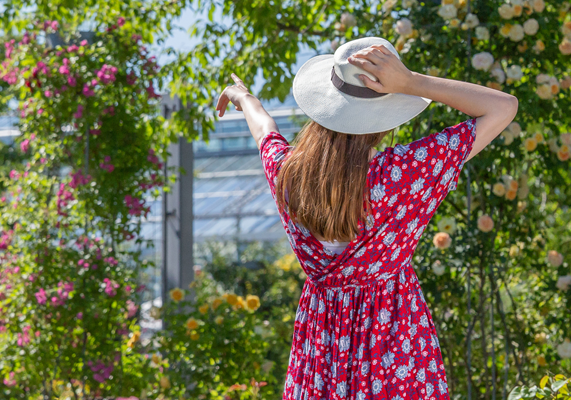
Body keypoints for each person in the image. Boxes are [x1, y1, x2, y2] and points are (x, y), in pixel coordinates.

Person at [215, 37, 517, 399]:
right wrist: (411, 82)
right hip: (393, 353)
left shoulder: (289, 174)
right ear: (383, 119)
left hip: (320, 357)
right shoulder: (401, 174)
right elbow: (503, 107)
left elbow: (265, 131)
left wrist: (243, 97)